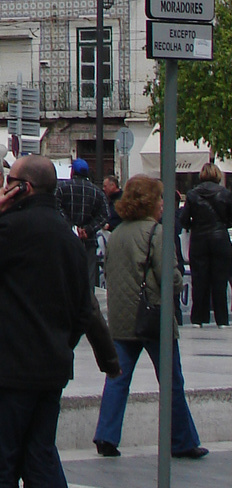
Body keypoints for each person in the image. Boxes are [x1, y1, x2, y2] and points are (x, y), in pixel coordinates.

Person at [0, 154, 91, 488]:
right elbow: (81, 308)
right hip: (52, 365)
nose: (3, 186)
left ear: (23, 189)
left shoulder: (13, 227)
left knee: (1, 460)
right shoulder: (68, 236)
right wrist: (60, 343)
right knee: (39, 456)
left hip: (12, 369)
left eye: (9, 181)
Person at [92, 174, 206, 459]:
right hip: (153, 316)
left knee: (117, 378)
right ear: (152, 202)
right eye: (160, 198)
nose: (164, 204)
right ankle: (181, 440)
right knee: (171, 380)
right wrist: (178, 282)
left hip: (121, 318)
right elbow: (169, 276)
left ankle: (106, 436)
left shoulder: (117, 234)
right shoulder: (157, 233)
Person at [180, 162, 231, 328]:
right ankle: (221, 319)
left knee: (199, 279)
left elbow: (183, 219)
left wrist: (193, 225)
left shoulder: (193, 194)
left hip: (199, 239)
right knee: (220, 280)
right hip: (220, 238)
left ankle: (198, 318)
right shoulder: (225, 193)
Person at [55, 158, 107, 288]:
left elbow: (55, 207)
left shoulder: (61, 188)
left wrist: (71, 226)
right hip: (88, 240)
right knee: (88, 277)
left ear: (72, 171)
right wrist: (88, 229)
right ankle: (88, 305)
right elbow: (104, 215)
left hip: (65, 239)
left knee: (65, 275)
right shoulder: (97, 192)